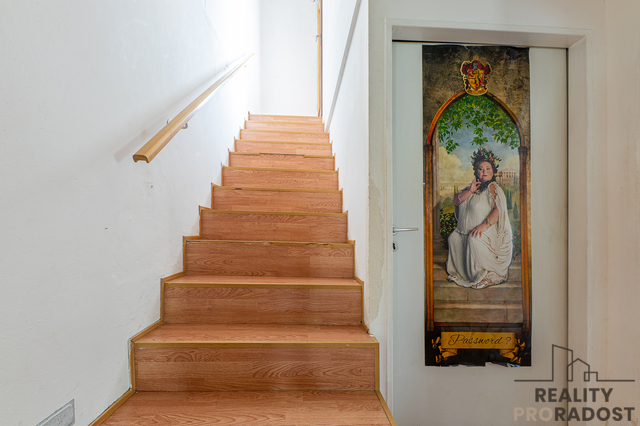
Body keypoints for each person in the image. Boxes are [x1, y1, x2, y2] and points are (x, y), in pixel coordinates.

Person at [446, 148, 512, 289]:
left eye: (488, 168)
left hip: (486, 231)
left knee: (474, 238)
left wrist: (484, 225)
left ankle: (485, 275)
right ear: (476, 172)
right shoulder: (471, 187)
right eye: (480, 169)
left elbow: (498, 210)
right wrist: (470, 191)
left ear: (493, 171)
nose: (484, 172)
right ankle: (466, 274)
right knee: (454, 238)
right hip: (464, 231)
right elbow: (456, 201)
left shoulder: (493, 187)